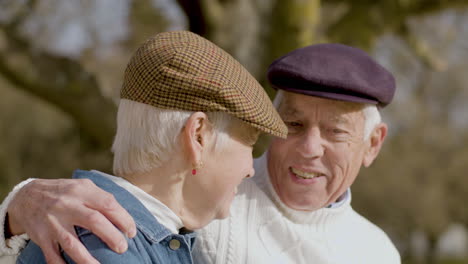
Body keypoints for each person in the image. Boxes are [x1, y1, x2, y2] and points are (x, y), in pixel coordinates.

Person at [0, 43, 401, 263]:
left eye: (336, 132)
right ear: (197, 137)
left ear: (373, 143)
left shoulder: (378, 253)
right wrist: (14, 211)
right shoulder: (208, 200)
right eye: (292, 125)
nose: (311, 148)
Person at [2, 30, 287, 264]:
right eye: (249, 142)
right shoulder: (106, 248)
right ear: (198, 136)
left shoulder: (139, 239)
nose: (251, 168)